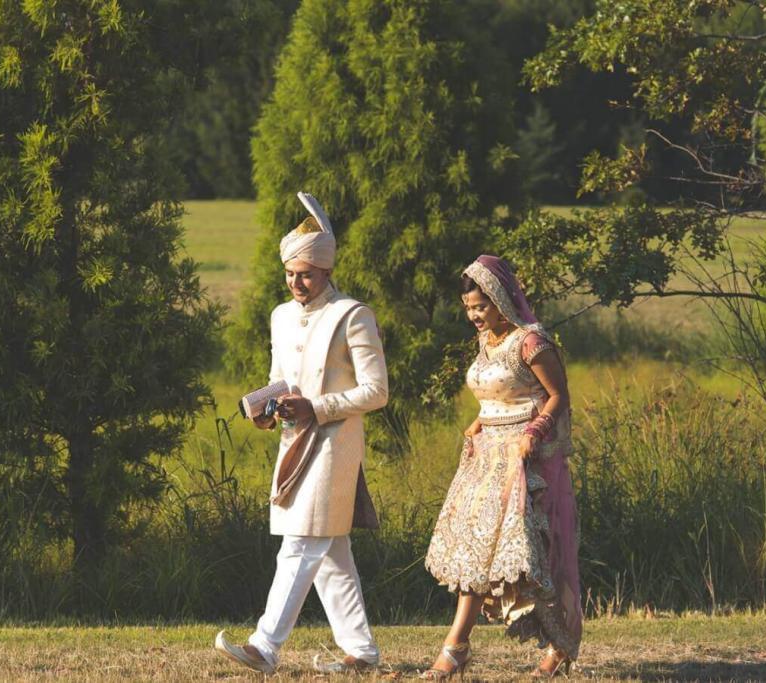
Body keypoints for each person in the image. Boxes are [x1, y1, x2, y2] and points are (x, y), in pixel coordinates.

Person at [214, 192, 388, 675]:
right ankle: (363, 652)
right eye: (290, 273)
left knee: (302, 541)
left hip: (335, 442)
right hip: (295, 440)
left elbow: (376, 391)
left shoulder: (354, 314)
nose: (296, 282)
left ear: (327, 271)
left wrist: (317, 407)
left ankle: (265, 646)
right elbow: (282, 379)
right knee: (331, 551)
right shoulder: (280, 315)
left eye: (306, 273)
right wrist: (268, 409)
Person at [421, 255, 582, 679]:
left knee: (533, 556)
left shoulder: (530, 341)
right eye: (468, 308)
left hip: (524, 460)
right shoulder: (487, 340)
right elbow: (495, 393)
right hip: (485, 458)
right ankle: (456, 647)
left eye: (481, 306)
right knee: (473, 548)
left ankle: (557, 646)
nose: (474, 315)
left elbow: (557, 395)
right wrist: (477, 422)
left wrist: (533, 433)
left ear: (500, 299)